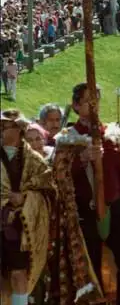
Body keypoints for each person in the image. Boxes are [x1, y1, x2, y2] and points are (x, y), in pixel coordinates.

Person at [51, 83, 120, 304]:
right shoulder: (67, 139)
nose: (93, 104)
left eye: (96, 99)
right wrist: (82, 160)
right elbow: (59, 177)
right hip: (83, 211)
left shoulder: (111, 136)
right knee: (90, 270)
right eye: (88, 100)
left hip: (116, 209)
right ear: (76, 105)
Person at [0, 110, 55, 305]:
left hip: (20, 229)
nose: (1, 129)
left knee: (18, 274)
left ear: (18, 129)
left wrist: (25, 198)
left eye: (5, 126)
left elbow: (48, 188)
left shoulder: (35, 162)